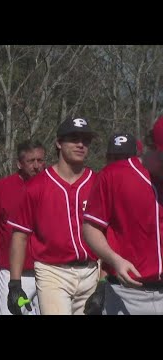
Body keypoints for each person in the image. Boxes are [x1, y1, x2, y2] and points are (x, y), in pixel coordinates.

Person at [7, 118, 98, 315]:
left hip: (92, 271)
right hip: (52, 272)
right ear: (58, 143)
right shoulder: (36, 186)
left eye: (86, 140)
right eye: (74, 139)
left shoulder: (98, 184)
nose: (81, 144)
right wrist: (14, 283)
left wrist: (105, 280)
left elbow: (111, 235)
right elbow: (20, 236)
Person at [83, 117, 163, 315]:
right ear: (153, 147)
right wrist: (114, 259)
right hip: (126, 295)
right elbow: (91, 228)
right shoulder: (114, 175)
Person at [0, 140, 46, 315]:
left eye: (40, 160)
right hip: (13, 275)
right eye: (31, 161)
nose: (37, 166)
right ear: (19, 164)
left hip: (48, 273)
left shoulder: (52, 185)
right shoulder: (3, 188)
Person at [84, 132, 137, 315]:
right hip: (117, 284)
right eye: (114, 158)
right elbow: (109, 243)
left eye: (124, 158)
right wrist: (101, 285)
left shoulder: (150, 190)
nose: (118, 164)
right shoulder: (103, 186)